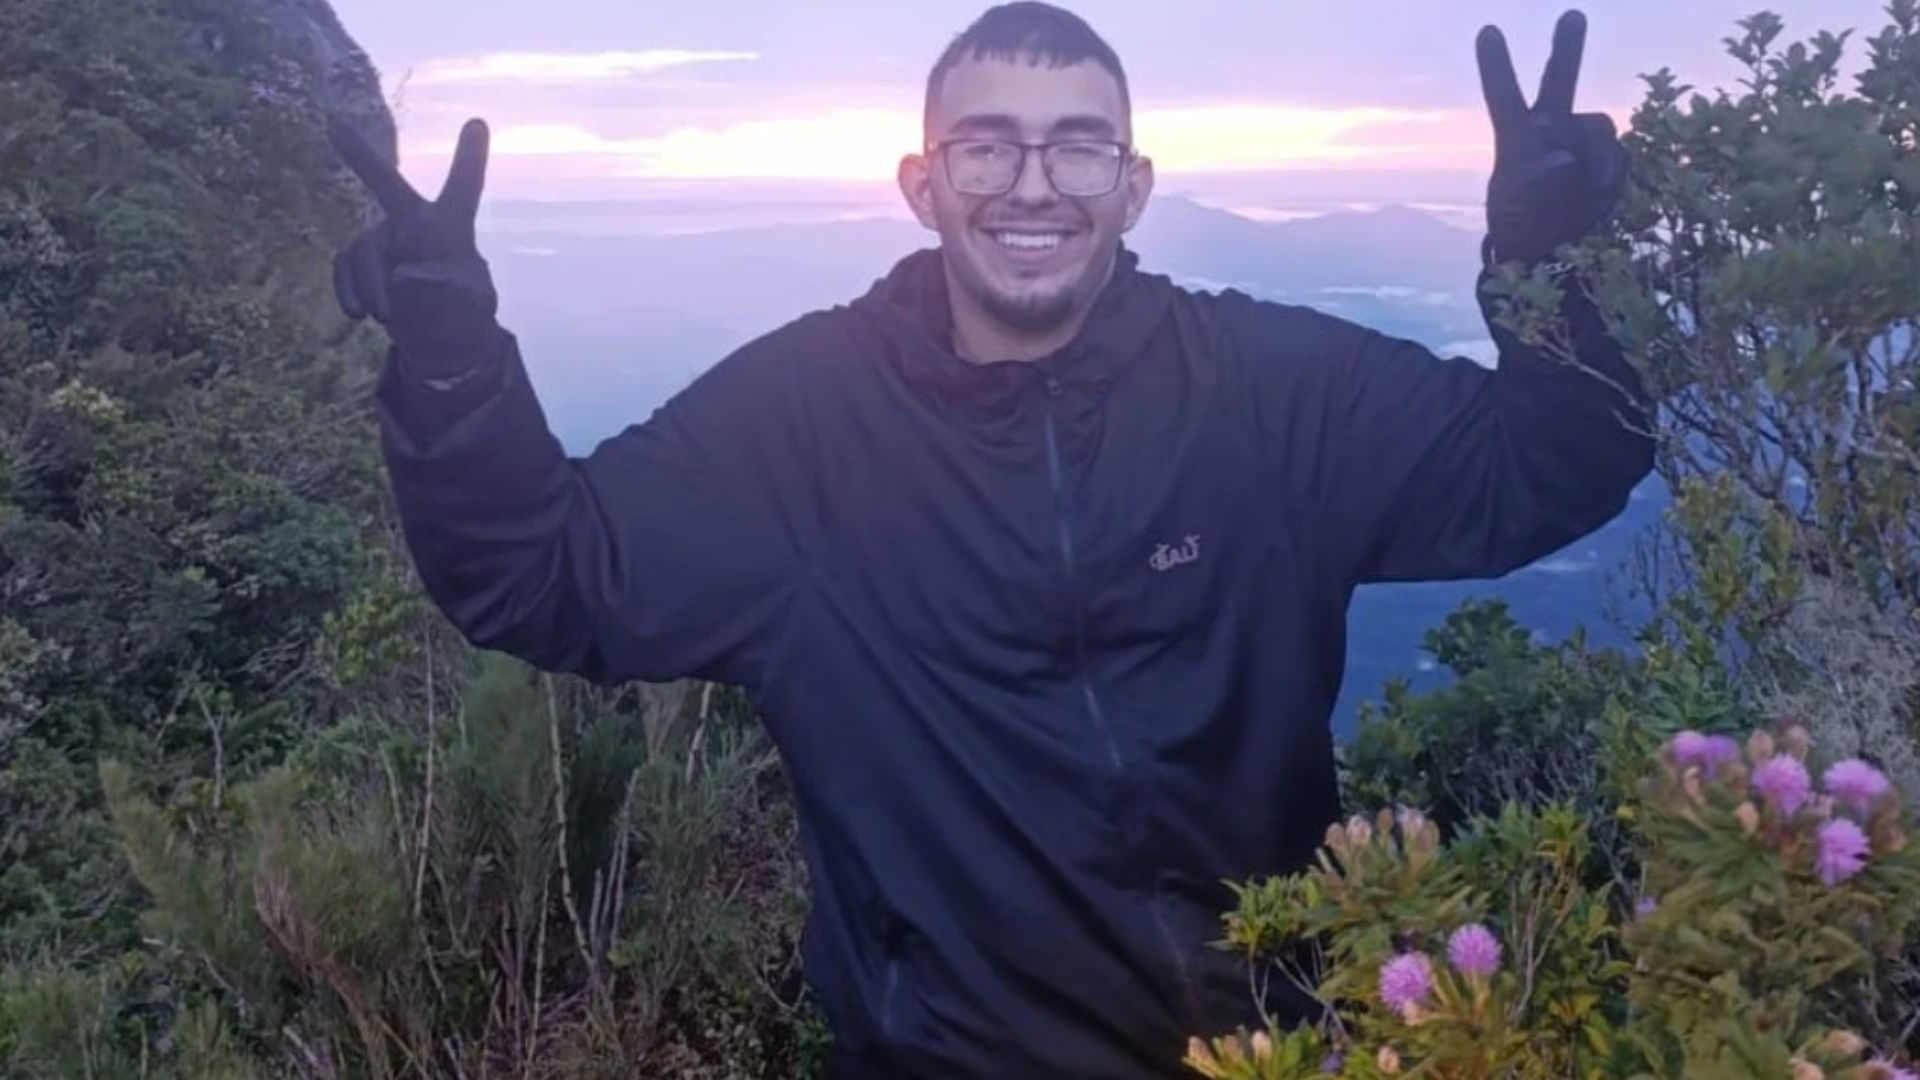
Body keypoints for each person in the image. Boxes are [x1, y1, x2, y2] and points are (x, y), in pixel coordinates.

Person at [325, 3, 1650, 1076]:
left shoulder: (1269, 391)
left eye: (1078, 146)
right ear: (922, 182)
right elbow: (545, 574)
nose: (1034, 184)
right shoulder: (802, 426)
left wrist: (1556, 272)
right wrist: (453, 373)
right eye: (988, 146)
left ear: (1132, 186)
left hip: (1281, 1046)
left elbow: (1546, 469)